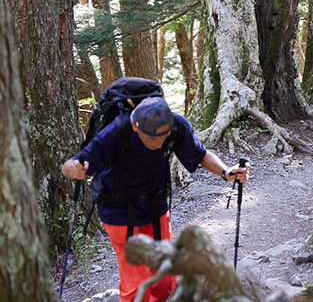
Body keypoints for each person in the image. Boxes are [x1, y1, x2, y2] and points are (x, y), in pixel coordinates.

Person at [61, 97, 249, 302]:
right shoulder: (115, 133)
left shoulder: (176, 125)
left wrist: (226, 172)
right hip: (118, 210)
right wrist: (72, 169)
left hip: (155, 205)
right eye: (152, 139)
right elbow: (73, 164)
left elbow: (200, 154)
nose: (160, 144)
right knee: (136, 283)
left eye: (164, 137)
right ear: (135, 126)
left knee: (166, 278)